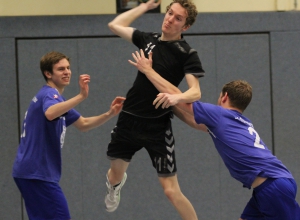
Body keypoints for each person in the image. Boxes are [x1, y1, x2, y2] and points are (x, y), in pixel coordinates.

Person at [105, 0, 204, 219]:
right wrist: (145, 7)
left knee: (171, 191)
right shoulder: (148, 39)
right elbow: (115, 24)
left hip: (157, 126)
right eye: (169, 13)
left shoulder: (186, 53)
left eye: (178, 18)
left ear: (185, 26)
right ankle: (114, 187)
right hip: (128, 120)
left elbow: (195, 92)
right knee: (114, 176)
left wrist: (175, 96)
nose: (170, 19)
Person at [150, 78, 300, 220]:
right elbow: (192, 121)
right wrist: (171, 107)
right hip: (271, 185)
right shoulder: (240, 122)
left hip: (272, 187)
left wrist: (148, 71)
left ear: (224, 96)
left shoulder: (220, 114)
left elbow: (179, 97)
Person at [12, 51, 125, 220]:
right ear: (48, 74)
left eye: (68, 68)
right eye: (60, 69)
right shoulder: (50, 95)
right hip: (37, 172)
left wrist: (110, 113)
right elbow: (50, 114)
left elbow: (84, 124)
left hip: (29, 172)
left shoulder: (57, 99)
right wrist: (81, 96)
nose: (67, 72)